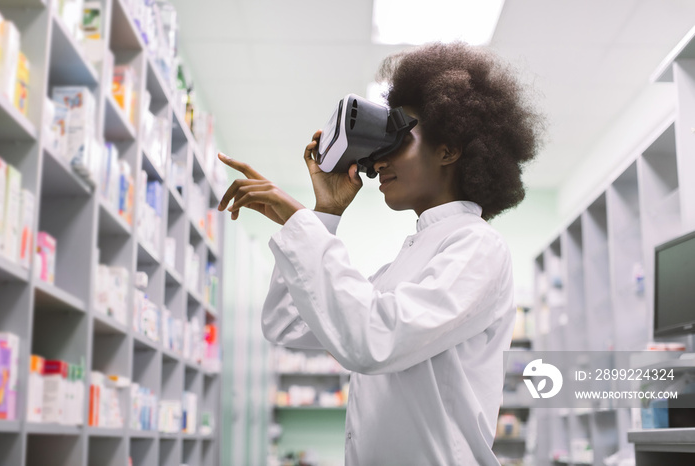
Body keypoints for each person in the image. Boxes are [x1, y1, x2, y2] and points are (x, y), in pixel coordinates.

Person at [217, 41, 543, 465]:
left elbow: (373, 341)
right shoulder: (405, 262)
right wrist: (323, 215)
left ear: (449, 150)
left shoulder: (477, 245)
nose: (378, 158)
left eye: (398, 137)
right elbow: (287, 325)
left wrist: (298, 223)